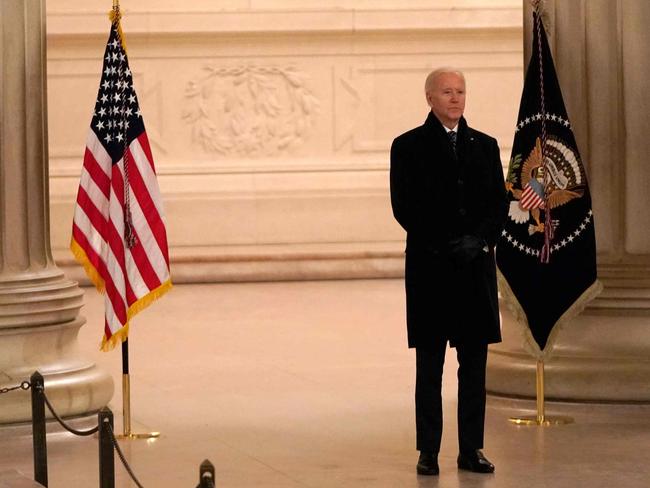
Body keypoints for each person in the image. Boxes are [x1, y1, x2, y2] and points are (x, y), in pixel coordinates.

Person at [389, 68, 508, 476]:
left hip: (474, 271)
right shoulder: (407, 147)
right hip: (432, 271)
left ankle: (471, 449)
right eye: (447, 92)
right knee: (430, 366)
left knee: (474, 368)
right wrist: (445, 243)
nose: (455, 99)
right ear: (429, 98)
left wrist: (478, 241)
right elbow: (404, 206)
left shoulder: (486, 146)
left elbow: (499, 204)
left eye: (460, 92)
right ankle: (428, 450)